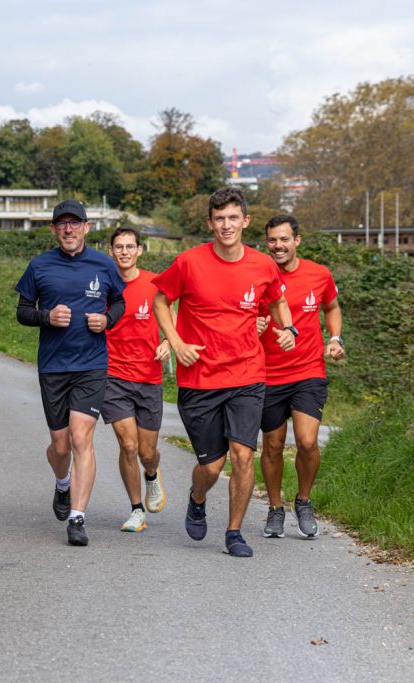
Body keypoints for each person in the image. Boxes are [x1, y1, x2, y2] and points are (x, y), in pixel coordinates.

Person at [153, 187, 296, 558]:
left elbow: (278, 299)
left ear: (245, 221)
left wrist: (288, 329)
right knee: (212, 467)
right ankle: (197, 496)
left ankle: (234, 533)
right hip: (199, 378)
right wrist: (177, 342)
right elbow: (161, 300)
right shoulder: (188, 262)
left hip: (248, 375)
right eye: (219, 219)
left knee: (243, 455)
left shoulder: (262, 265)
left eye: (233, 218)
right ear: (210, 223)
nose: (226, 225)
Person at [15, 199, 125, 546]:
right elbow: (22, 311)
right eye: (61, 224)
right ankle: (62, 484)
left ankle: (77, 518)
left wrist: (107, 320)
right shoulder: (40, 265)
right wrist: (46, 317)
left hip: (91, 364)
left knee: (82, 438)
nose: (68, 229)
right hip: (53, 367)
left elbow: (119, 302)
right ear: (53, 229)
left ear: (86, 227)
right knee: (60, 446)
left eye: (74, 223)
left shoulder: (104, 265)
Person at [257, 215, 345, 539]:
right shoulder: (258, 276)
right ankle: (276, 508)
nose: (278, 246)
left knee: (307, 441)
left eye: (283, 239)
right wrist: (254, 327)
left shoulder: (319, 274)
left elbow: (332, 308)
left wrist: (335, 338)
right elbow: (240, 315)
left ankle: (304, 500)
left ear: (297, 240)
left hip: (308, 370)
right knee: (273, 445)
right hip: (267, 374)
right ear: (266, 243)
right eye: (272, 240)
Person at [102, 227, 170, 532]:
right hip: (113, 376)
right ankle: (135, 509)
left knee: (146, 452)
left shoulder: (155, 283)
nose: (125, 252)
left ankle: (152, 477)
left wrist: (169, 342)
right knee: (127, 446)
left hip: (149, 376)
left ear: (140, 250)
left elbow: (170, 317)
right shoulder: (103, 284)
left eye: (130, 246)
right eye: (119, 247)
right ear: (111, 251)